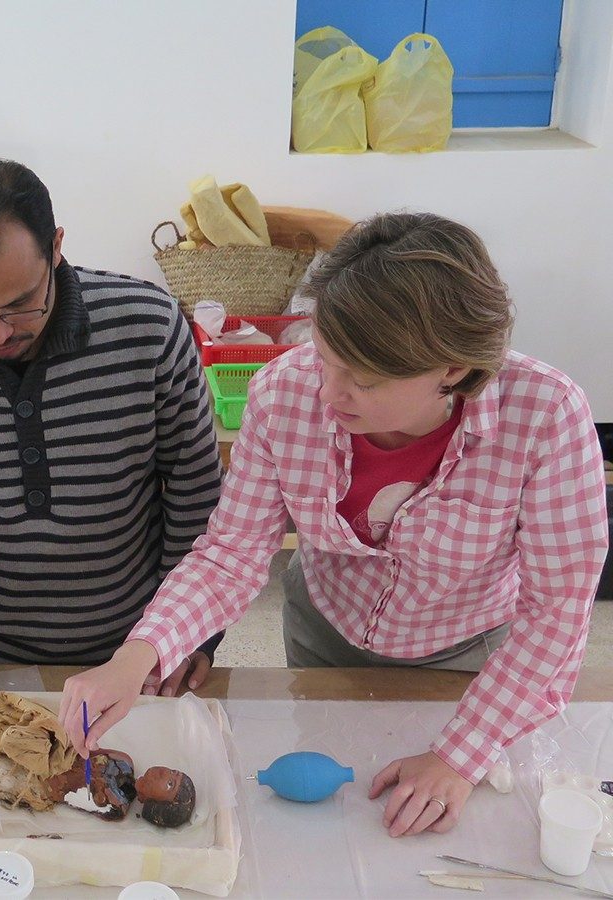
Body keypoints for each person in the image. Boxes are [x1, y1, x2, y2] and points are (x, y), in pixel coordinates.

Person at [60, 212, 608, 836]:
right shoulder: (283, 394)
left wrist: (459, 756)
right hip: (326, 625)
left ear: (452, 371)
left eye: (364, 380)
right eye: (324, 359)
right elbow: (232, 553)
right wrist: (140, 653)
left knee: (444, 822)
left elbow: (557, 610)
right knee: (329, 804)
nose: (328, 394)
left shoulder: (545, 416)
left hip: (467, 653)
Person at [0, 159, 224, 687]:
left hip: (137, 651)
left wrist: (187, 629)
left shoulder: (148, 328)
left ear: (55, 248)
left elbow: (194, 489)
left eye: (21, 304)